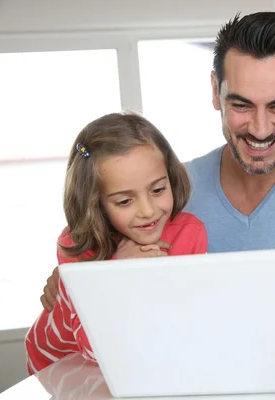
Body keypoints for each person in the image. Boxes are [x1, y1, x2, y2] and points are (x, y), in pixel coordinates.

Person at [40, 12, 275, 333]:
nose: (259, 129)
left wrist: (271, 280)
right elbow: (112, 274)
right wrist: (79, 283)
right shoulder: (172, 188)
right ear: (215, 91)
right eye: (240, 105)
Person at [25, 113, 207, 374]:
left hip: (132, 363)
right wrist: (119, 270)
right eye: (124, 201)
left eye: (157, 190)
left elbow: (185, 321)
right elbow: (96, 349)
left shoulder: (190, 232)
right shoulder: (76, 244)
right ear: (95, 202)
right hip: (56, 363)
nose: (147, 211)